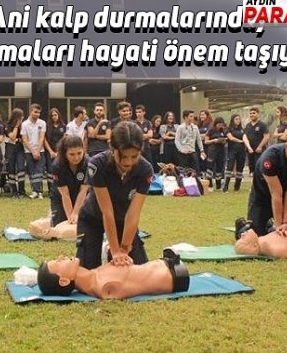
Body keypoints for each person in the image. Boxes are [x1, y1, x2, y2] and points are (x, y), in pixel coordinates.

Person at [76, 122, 154, 270]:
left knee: (138, 269)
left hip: (122, 220)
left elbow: (133, 213)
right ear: (112, 148)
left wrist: (123, 249)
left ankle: (109, 251)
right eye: (123, 156)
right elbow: (107, 211)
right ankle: (107, 249)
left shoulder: (145, 170)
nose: (128, 162)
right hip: (92, 218)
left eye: (134, 156)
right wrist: (115, 250)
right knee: (88, 269)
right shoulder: (97, 164)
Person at [37, 250, 189, 299]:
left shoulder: (94, 275)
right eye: (58, 263)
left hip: (168, 265)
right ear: (64, 281)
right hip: (175, 274)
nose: (61, 257)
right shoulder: (104, 287)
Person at [50, 135, 90, 226]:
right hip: (60, 197)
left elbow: (83, 191)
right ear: (65, 154)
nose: (76, 158)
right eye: (72, 154)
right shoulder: (57, 166)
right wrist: (70, 218)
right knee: (60, 224)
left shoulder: (88, 164)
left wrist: (75, 213)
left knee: (84, 223)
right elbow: (65, 194)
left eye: (79, 153)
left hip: (82, 197)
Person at [21, 103, 47, 199]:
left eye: (39, 113)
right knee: (32, 171)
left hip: (40, 150)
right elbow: (24, 140)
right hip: (28, 151)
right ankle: (35, 191)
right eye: (35, 112)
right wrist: (33, 151)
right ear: (30, 111)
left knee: (39, 171)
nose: (37, 114)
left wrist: (38, 151)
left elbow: (42, 138)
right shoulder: (24, 124)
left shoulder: (42, 123)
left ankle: (39, 192)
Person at [44, 108, 66, 195]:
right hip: (50, 151)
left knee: (60, 169)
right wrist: (51, 151)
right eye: (52, 115)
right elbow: (44, 140)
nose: (54, 117)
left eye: (55, 115)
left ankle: (59, 189)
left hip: (60, 151)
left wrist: (59, 152)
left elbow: (64, 138)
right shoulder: (47, 127)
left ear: (58, 115)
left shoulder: (63, 126)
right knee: (50, 170)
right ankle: (51, 189)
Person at [5, 108, 26, 198]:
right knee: (11, 169)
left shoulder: (23, 126)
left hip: (20, 148)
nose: (22, 119)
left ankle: (22, 191)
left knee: (21, 168)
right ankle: (14, 191)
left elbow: (24, 139)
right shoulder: (8, 125)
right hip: (10, 148)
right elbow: (12, 137)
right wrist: (16, 126)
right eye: (21, 117)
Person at [223, 114, 247, 192]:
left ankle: (237, 187)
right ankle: (225, 187)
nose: (238, 121)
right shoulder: (228, 129)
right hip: (232, 151)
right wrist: (240, 141)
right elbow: (231, 138)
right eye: (236, 119)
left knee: (240, 168)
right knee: (229, 167)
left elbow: (245, 137)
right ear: (232, 120)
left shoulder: (242, 130)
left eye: (239, 119)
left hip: (242, 151)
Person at [243, 107, 269, 175]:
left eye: (254, 113)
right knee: (252, 169)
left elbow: (266, 136)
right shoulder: (248, 125)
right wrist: (249, 147)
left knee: (259, 167)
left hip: (259, 151)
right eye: (250, 113)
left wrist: (260, 147)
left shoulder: (262, 125)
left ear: (258, 114)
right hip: (250, 151)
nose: (252, 115)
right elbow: (245, 136)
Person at [204, 116, 227, 190]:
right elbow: (206, 141)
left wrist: (223, 140)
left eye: (221, 124)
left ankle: (218, 185)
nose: (220, 126)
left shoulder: (223, 131)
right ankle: (210, 185)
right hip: (212, 151)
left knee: (219, 168)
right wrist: (214, 140)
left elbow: (226, 139)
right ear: (215, 124)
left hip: (221, 151)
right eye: (219, 124)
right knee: (210, 167)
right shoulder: (211, 130)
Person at [197, 110, 213, 180]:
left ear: (207, 115)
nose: (201, 116)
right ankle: (202, 178)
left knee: (207, 162)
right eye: (200, 115)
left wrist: (199, 136)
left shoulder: (210, 124)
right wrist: (200, 136)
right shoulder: (198, 125)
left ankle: (208, 179)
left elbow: (207, 135)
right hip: (199, 146)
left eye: (203, 115)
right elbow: (195, 135)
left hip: (207, 147)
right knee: (200, 162)